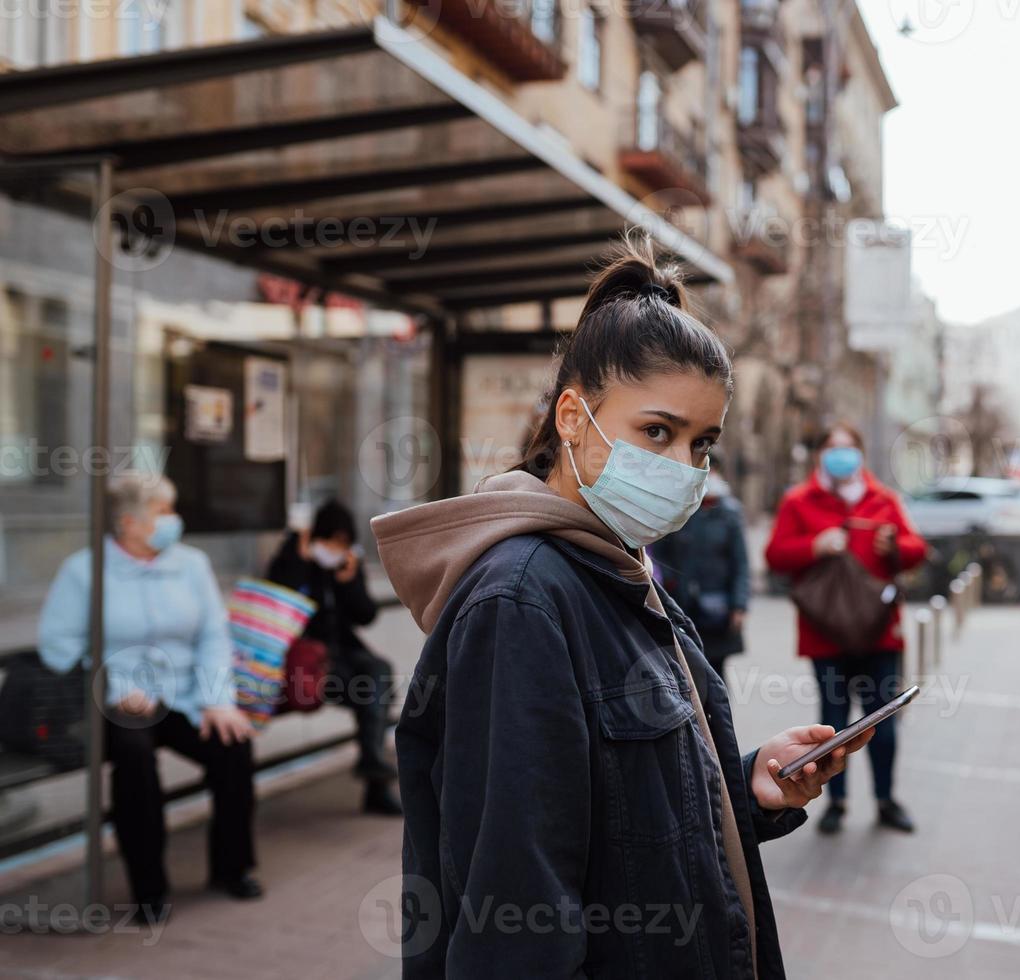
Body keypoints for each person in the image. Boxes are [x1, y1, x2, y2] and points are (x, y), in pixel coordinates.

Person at [374, 238, 870, 978]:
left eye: (703, 444)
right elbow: (515, 914)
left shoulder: (616, 567)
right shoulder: (522, 600)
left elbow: (620, 816)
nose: (683, 470)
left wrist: (747, 787)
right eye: (657, 432)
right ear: (573, 418)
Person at [37, 473, 261, 921]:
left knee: (233, 744)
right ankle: (149, 891)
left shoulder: (192, 564)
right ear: (129, 522)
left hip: (186, 696)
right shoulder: (86, 570)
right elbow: (58, 644)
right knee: (134, 759)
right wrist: (117, 688)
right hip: (120, 701)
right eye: (163, 511)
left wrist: (218, 700)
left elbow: (213, 636)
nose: (174, 520)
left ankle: (231, 868)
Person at [765, 423, 928, 836]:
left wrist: (894, 547)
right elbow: (775, 555)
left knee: (884, 723)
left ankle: (885, 799)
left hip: (879, 634)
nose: (841, 456)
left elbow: (917, 550)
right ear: (820, 455)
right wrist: (814, 546)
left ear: (860, 453)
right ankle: (834, 802)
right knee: (831, 725)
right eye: (832, 449)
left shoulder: (883, 499)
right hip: (826, 635)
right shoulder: (799, 501)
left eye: (848, 448)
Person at [266, 500, 401, 816]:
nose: (336, 549)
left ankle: (373, 768)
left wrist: (350, 583)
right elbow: (276, 608)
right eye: (331, 541)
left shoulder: (342, 568)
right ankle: (375, 778)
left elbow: (366, 615)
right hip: (300, 663)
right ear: (315, 536)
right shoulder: (291, 560)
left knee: (377, 673)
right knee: (373, 691)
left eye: (343, 543)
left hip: (339, 656)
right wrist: (298, 563)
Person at [649, 452, 751, 681]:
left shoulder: (730, 513)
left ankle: (717, 716)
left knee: (715, 673)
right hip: (682, 604)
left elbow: (740, 563)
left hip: (718, 608)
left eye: (712, 470)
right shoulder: (677, 510)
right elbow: (659, 556)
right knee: (685, 671)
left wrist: (739, 604)